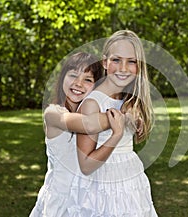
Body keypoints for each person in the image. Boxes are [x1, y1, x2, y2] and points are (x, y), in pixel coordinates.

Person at [69, 30, 158, 216]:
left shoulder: (128, 100)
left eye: (131, 61)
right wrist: (116, 134)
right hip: (102, 187)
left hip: (130, 181)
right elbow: (86, 166)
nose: (123, 68)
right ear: (105, 62)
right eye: (116, 60)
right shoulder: (93, 104)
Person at [29, 52, 126, 217]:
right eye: (73, 75)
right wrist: (122, 115)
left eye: (88, 79)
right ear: (62, 79)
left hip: (85, 198)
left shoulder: (95, 110)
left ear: (96, 87)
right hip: (61, 200)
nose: (78, 83)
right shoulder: (53, 114)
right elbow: (88, 124)